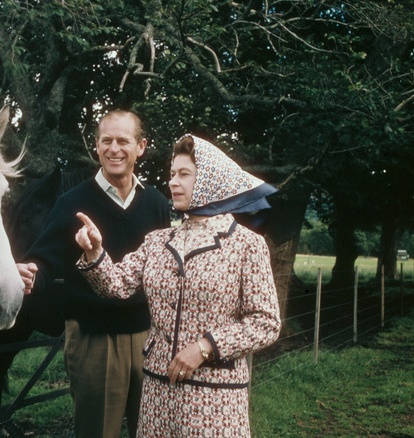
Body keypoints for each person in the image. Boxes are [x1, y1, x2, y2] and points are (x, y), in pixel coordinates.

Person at [73, 134, 281, 437]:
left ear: (211, 180)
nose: (173, 182)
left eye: (184, 174)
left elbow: (266, 323)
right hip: (158, 394)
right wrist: (94, 251)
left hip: (215, 398)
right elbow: (114, 286)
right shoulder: (158, 241)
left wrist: (205, 347)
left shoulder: (246, 245)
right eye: (172, 174)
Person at [17, 110, 170, 438]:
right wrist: (32, 273)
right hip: (94, 340)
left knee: (154, 432)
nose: (114, 149)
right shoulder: (72, 202)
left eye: (123, 141)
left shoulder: (156, 203)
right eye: (106, 141)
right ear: (96, 147)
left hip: (148, 338)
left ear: (140, 147)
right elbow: (44, 259)